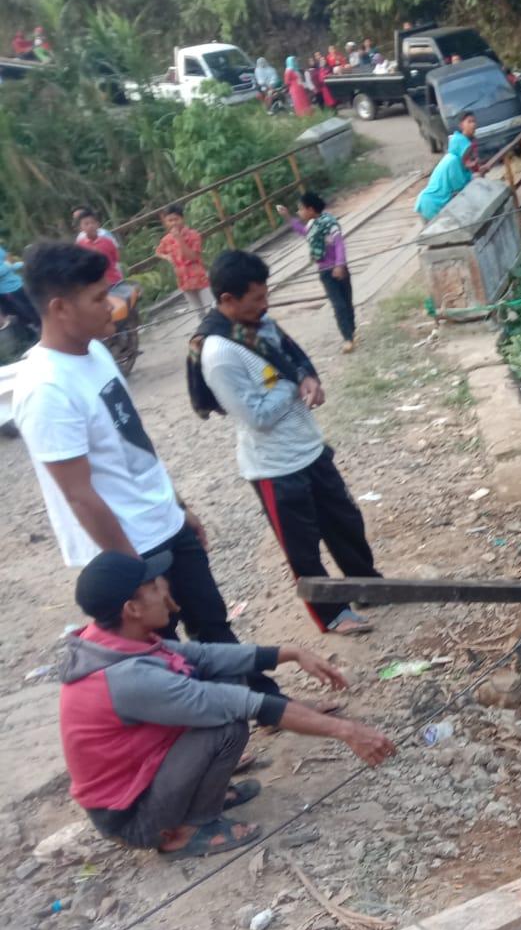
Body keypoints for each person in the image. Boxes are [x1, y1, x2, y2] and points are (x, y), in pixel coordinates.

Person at [60, 549, 396, 857]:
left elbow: (204, 656)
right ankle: (183, 832)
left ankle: (198, 801)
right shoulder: (127, 679)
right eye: (153, 586)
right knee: (227, 725)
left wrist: (291, 653)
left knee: (229, 678)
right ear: (131, 609)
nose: (164, 588)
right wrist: (347, 730)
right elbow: (243, 704)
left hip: (143, 781)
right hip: (132, 816)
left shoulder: (114, 640)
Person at [12, 243, 243, 646]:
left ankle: (262, 705)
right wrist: (139, 574)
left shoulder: (96, 353)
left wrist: (177, 507)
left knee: (214, 626)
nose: (112, 305)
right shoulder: (46, 388)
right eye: (99, 298)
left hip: (165, 524)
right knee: (160, 654)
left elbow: (134, 445)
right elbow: (79, 496)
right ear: (60, 308)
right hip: (130, 549)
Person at [191, 249, 380, 635]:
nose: (266, 304)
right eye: (256, 298)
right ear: (227, 300)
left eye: (266, 294)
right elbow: (256, 416)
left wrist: (308, 375)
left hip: (309, 449)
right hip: (275, 467)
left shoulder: (260, 326)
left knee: (345, 523)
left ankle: (368, 585)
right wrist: (295, 383)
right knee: (302, 548)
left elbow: (294, 355)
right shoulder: (220, 353)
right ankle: (332, 615)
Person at [276, 191, 356, 351]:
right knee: (338, 304)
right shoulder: (312, 225)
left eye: (300, 209)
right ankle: (347, 337)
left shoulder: (330, 223)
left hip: (339, 269)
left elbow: (339, 244)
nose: (299, 212)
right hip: (325, 272)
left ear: (311, 209)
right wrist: (288, 217)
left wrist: (339, 265)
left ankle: (352, 331)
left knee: (347, 302)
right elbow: (304, 233)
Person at [75, 210, 139, 321]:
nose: (90, 226)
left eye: (92, 222)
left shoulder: (107, 241)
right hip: (95, 286)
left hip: (114, 281)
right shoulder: (79, 247)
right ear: (81, 228)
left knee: (127, 303)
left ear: (98, 224)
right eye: (86, 224)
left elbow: (115, 259)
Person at [414, 112, 477, 221]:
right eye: (466, 153)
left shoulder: (456, 160)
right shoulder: (453, 162)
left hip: (432, 203)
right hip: (432, 204)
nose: (469, 156)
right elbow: (461, 188)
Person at [155, 204, 210, 318]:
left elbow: (192, 256)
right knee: (199, 313)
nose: (174, 223)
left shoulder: (193, 235)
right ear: (166, 222)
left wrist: (179, 239)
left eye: (176, 219)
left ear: (182, 219)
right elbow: (158, 252)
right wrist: (168, 257)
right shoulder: (166, 239)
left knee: (210, 308)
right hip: (183, 280)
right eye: (170, 220)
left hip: (199, 277)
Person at [0, 242, 39, 330]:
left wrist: (23, 264)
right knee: (25, 310)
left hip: (20, 283)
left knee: (36, 304)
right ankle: (36, 328)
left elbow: (8, 262)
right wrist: (8, 265)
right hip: (8, 290)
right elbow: (6, 264)